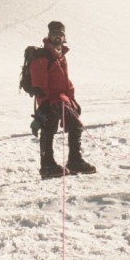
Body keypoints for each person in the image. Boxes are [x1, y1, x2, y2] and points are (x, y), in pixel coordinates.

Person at [28, 21, 97, 178]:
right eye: (54, 35)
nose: (57, 38)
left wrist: (71, 101)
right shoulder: (43, 56)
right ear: (49, 35)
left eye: (60, 35)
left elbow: (65, 81)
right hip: (50, 101)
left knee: (75, 124)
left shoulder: (59, 54)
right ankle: (47, 165)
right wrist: (45, 105)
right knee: (49, 128)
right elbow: (39, 83)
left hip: (62, 99)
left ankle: (74, 161)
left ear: (64, 36)